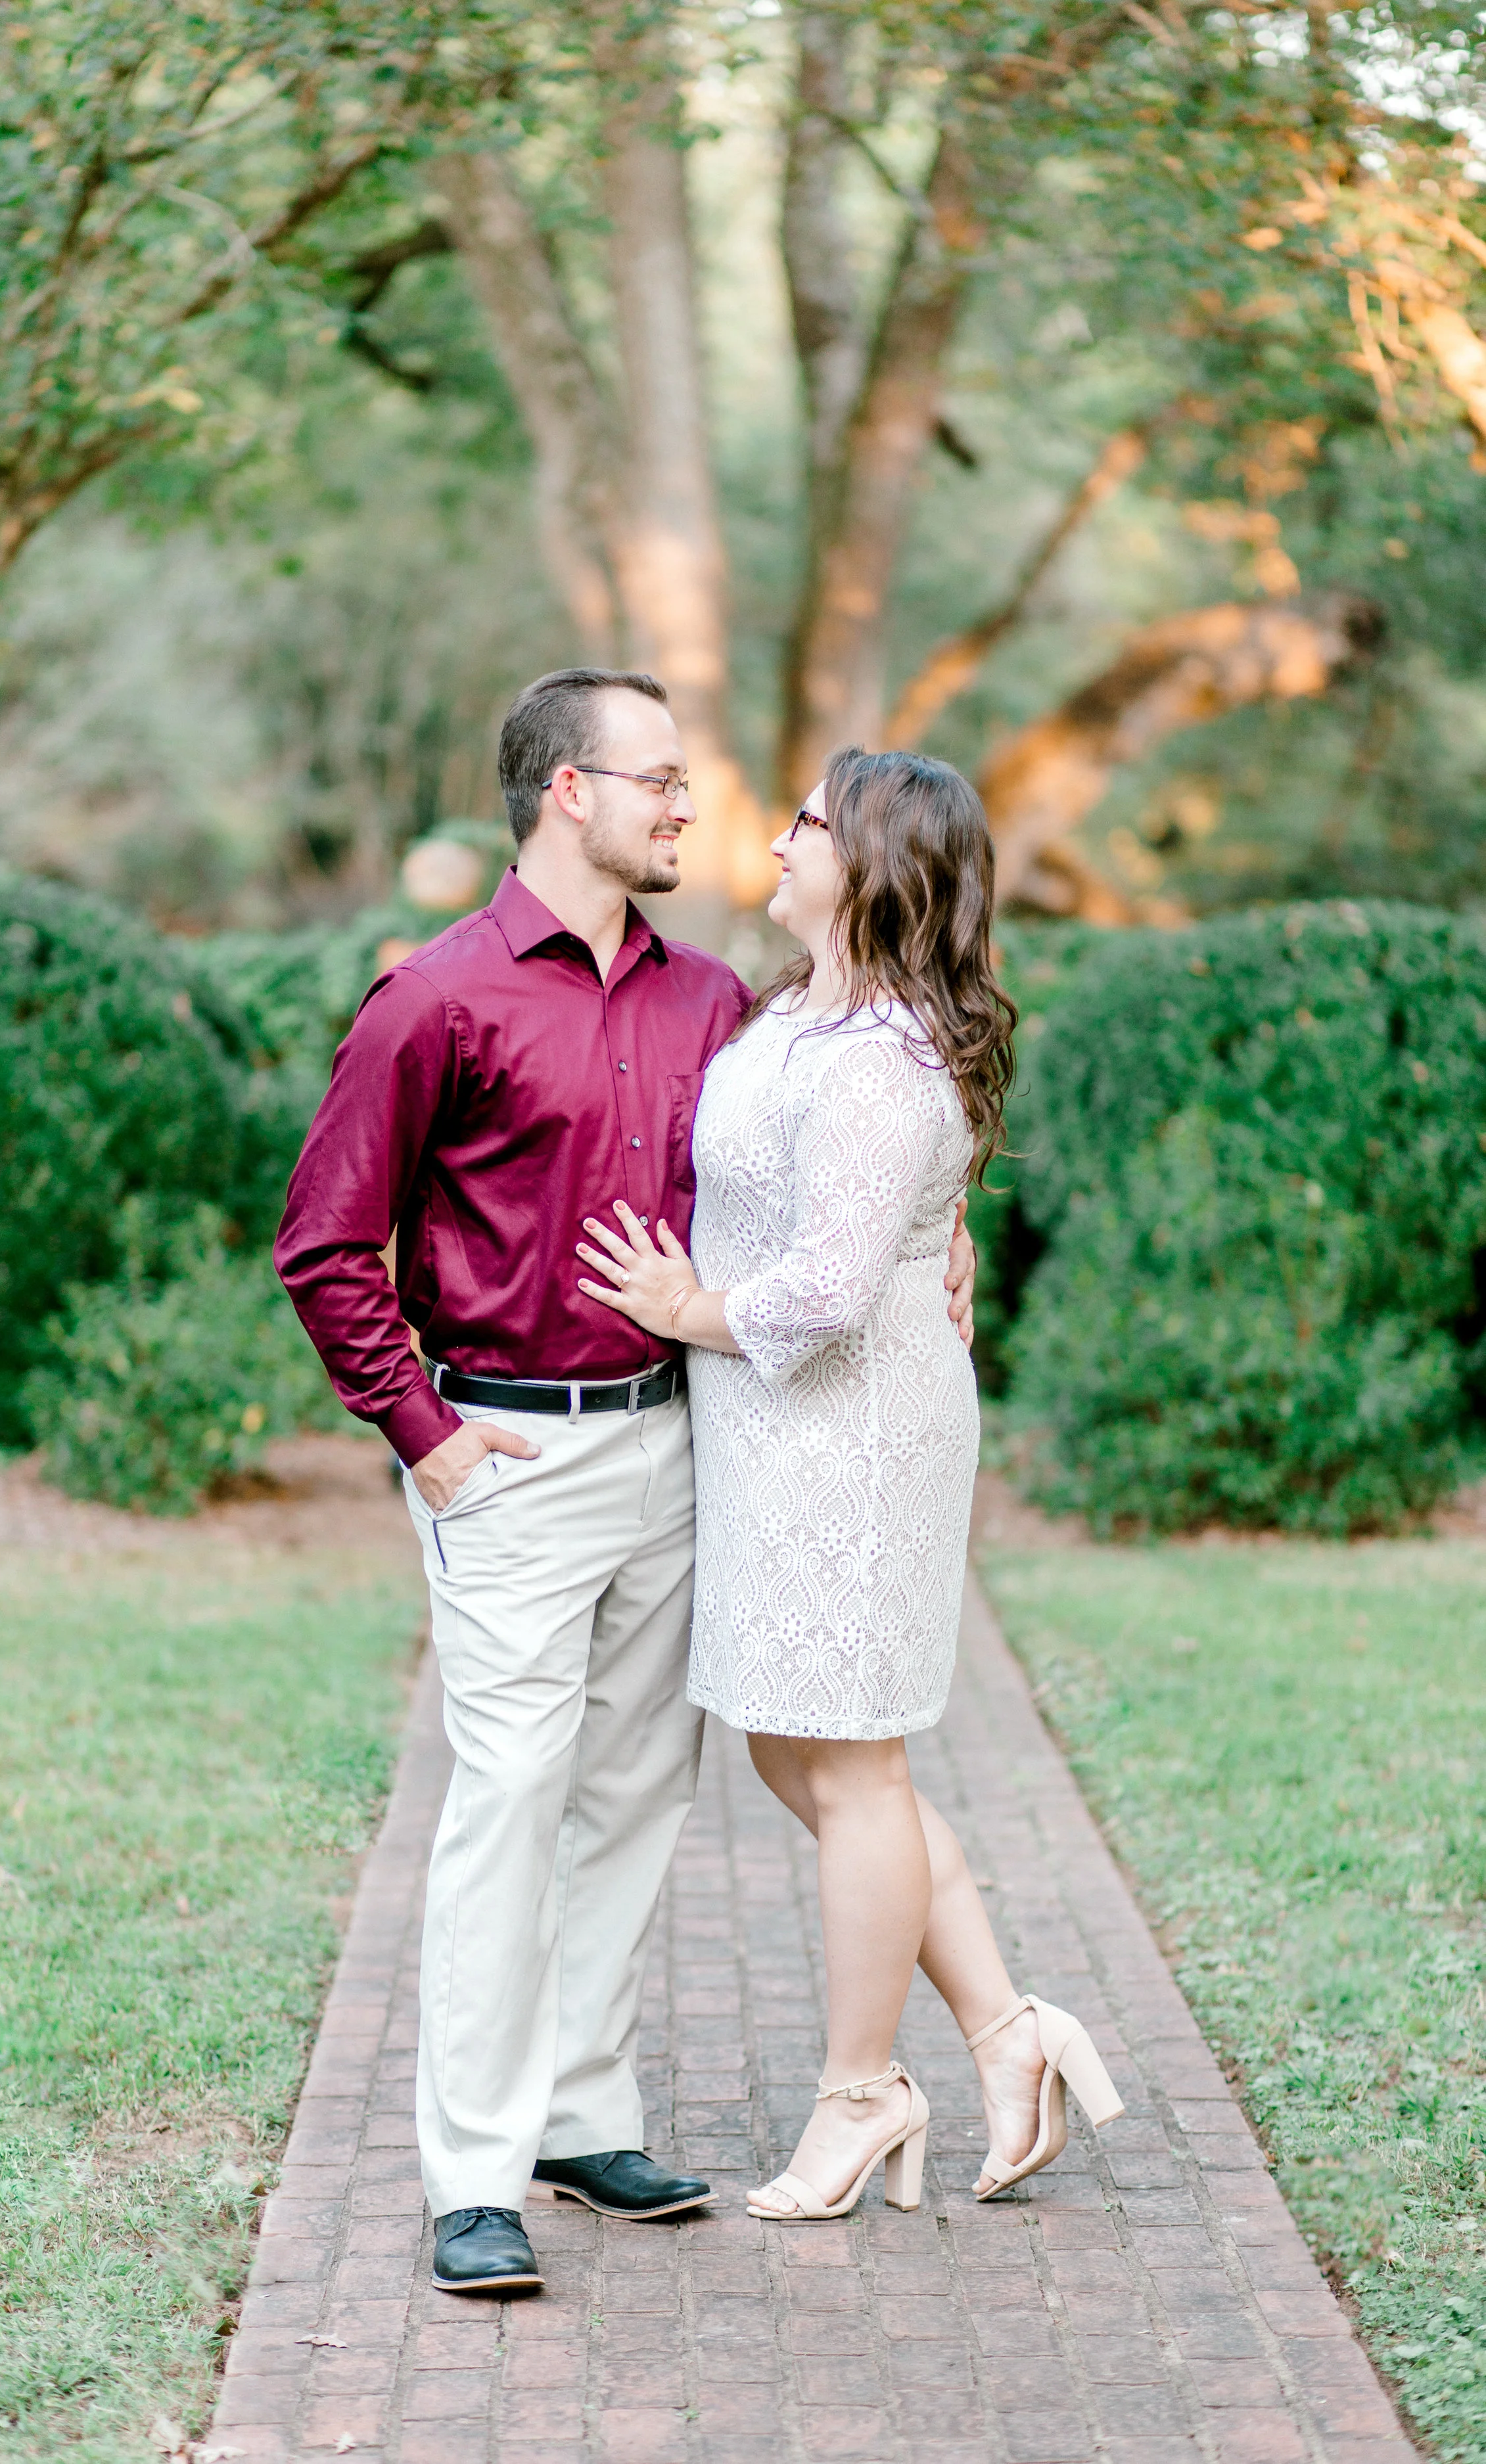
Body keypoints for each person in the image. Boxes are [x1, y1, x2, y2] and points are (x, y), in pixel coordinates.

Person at [275, 670, 980, 2293]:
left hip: (681, 1442)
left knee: (635, 1797)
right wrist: (429, 1439)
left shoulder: (712, 1005)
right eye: (657, 779)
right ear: (566, 794)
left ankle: (581, 2118)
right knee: (509, 1802)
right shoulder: (430, 1003)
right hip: (503, 1454)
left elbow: (858, 1131)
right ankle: (471, 2175)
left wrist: (949, 1224)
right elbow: (323, 1248)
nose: (688, 806)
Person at [573, 746, 1123, 2220]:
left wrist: (682, 1308)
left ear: (871, 863)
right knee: (788, 1750)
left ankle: (861, 2091)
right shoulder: (792, 1014)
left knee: (854, 1759)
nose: (778, 833)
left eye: (809, 820)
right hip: (775, 1428)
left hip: (852, 1432)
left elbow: (818, 1286)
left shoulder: (884, 1059)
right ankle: (1013, 2032)